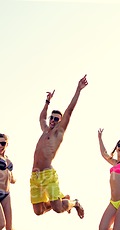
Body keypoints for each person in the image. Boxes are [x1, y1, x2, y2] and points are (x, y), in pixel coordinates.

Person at [31, 75, 88, 218]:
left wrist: (78, 89)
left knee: (57, 208)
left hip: (48, 175)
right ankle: (63, 199)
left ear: (60, 121)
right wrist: (47, 102)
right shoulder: (45, 130)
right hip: (35, 175)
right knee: (38, 211)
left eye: (57, 119)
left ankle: (74, 203)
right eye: (52, 117)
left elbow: (69, 110)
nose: (53, 120)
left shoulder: (58, 132)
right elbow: (41, 117)